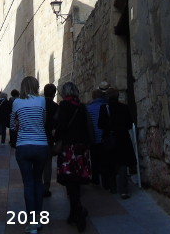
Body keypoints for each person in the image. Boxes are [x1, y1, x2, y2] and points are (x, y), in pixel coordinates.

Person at [10, 77, 49, 234]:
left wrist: (22, 126)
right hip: (41, 145)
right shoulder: (41, 101)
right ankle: (38, 219)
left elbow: (12, 125)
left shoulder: (16, 103)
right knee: (38, 181)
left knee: (28, 183)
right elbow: (43, 121)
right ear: (35, 86)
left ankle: (32, 223)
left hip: (23, 147)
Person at [53, 81, 93, 232]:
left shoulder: (63, 106)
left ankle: (78, 211)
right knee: (76, 179)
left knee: (70, 179)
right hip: (81, 148)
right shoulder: (82, 107)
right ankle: (73, 212)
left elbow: (61, 125)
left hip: (69, 148)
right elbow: (87, 126)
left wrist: (56, 137)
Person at [97, 88, 136, 199]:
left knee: (110, 163)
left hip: (109, 138)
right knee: (122, 164)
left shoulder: (104, 108)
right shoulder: (124, 107)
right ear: (118, 96)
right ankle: (123, 190)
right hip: (123, 139)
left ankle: (113, 187)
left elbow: (100, 124)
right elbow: (129, 124)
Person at [85, 88, 106, 186]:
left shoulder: (89, 108)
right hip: (104, 136)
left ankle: (95, 178)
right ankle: (106, 180)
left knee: (94, 159)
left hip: (93, 137)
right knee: (105, 158)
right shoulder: (105, 105)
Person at [42, 83, 59, 197]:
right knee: (47, 165)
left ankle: (36, 186)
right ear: (54, 94)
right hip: (48, 139)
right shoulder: (56, 106)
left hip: (37, 137)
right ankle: (46, 188)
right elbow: (57, 124)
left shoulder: (39, 104)